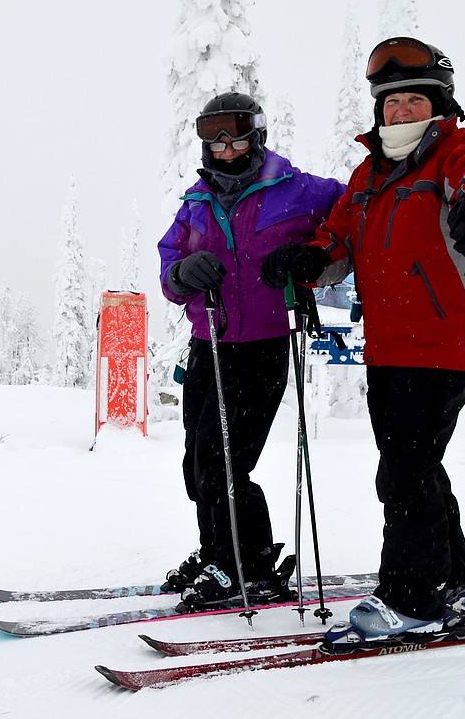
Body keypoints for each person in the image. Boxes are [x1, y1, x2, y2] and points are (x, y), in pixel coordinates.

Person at [263, 37, 465, 642]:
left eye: (412, 100)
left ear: (436, 103)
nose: (399, 112)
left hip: (442, 344)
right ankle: (452, 581)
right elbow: (339, 241)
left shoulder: (462, 150)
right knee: (416, 466)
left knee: (404, 472)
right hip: (387, 349)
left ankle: (414, 598)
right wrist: (307, 260)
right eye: (390, 102)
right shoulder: (369, 173)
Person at [157, 92, 346, 610]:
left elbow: (353, 216)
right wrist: (181, 272)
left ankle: (252, 564)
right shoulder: (196, 202)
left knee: (225, 463)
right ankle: (218, 551)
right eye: (213, 138)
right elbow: (169, 263)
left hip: (263, 347)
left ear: (256, 134)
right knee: (198, 465)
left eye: (234, 135)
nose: (224, 147)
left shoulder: (300, 191)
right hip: (209, 344)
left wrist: (311, 258)